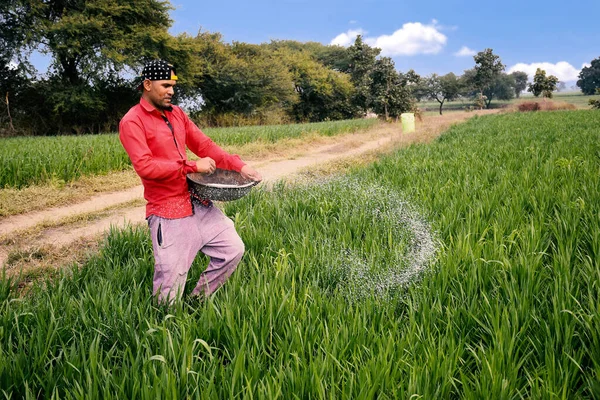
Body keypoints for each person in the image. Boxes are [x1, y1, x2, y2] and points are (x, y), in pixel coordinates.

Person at [119, 60, 262, 304]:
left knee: (232, 250)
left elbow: (204, 146)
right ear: (147, 85)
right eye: (165, 85)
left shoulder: (178, 114)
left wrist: (240, 166)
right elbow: (146, 167)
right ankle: (165, 327)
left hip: (197, 202)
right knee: (168, 291)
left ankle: (197, 302)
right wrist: (192, 166)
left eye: (173, 86)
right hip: (167, 210)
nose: (171, 91)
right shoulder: (132, 122)